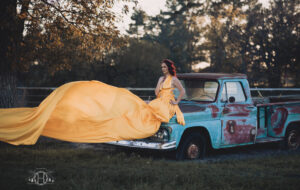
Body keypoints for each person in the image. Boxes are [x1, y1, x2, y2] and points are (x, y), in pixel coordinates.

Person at [0, 59, 185, 145]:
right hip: (157, 101)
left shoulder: (174, 79)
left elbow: (182, 91)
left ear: (170, 68)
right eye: (161, 67)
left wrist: (175, 101)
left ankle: (146, 132)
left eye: (164, 67)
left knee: (149, 117)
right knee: (138, 108)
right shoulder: (161, 80)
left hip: (167, 105)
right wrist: (159, 87)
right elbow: (155, 92)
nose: (162, 69)